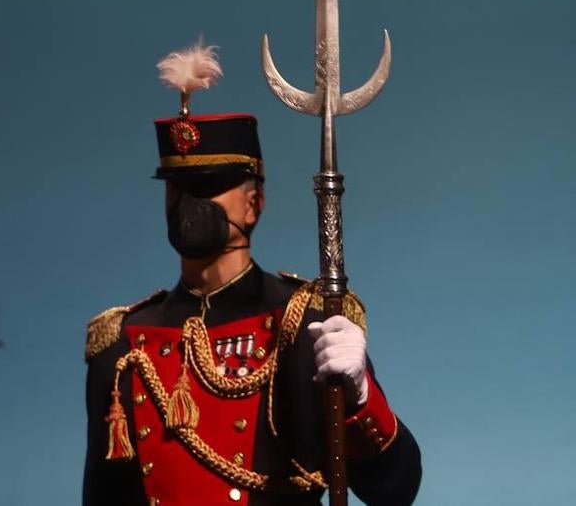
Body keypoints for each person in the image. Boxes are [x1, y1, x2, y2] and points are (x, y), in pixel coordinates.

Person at [82, 43, 421, 505]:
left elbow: (395, 489)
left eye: (210, 188)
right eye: (178, 189)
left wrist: (362, 398)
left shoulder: (307, 323)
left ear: (254, 204)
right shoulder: (121, 343)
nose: (189, 205)